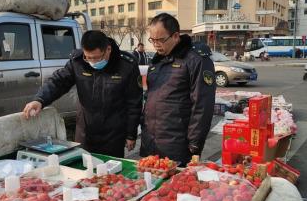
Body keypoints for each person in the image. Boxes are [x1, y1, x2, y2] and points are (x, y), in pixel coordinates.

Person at [23, 30, 142, 158]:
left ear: (108, 49)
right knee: (83, 171)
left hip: (113, 134)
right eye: (88, 57)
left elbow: (134, 102)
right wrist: (40, 99)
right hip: (85, 132)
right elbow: (58, 82)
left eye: (97, 58)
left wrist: (131, 134)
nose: (93, 62)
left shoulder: (126, 65)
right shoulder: (78, 62)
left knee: (110, 173)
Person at [140, 13, 216, 165]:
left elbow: (202, 104)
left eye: (160, 40)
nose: (155, 45)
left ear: (175, 36)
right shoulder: (158, 61)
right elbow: (151, 99)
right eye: (152, 40)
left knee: (176, 187)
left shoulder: (196, 60)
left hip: (177, 144)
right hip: (151, 142)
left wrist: (195, 143)